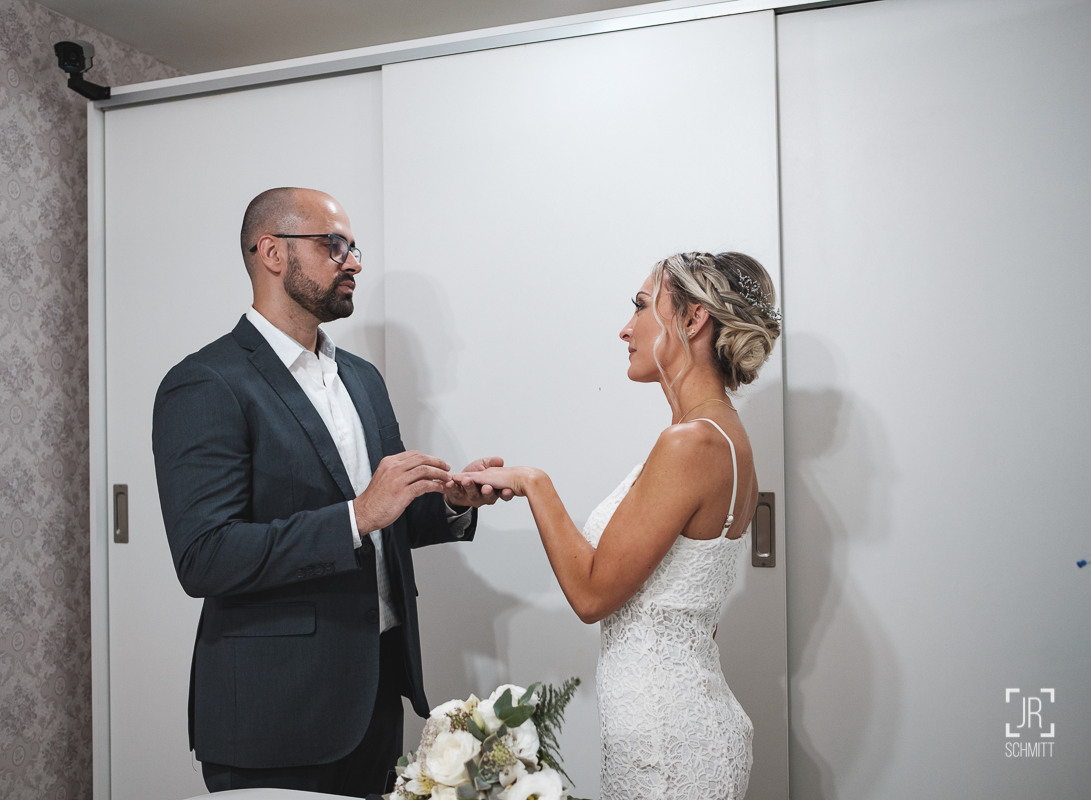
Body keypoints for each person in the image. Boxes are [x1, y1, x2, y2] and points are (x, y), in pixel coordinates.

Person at [152, 187, 509, 796]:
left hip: (376, 697)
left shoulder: (362, 379)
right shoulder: (205, 383)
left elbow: (385, 520)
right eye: (334, 245)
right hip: (275, 713)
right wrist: (355, 515)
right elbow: (205, 557)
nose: (354, 263)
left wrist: (451, 502)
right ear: (272, 253)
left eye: (354, 247)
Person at [453, 252, 782, 800]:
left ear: (693, 319)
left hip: (666, 744)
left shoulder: (691, 443)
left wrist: (534, 482)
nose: (626, 329)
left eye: (641, 306)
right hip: (678, 724)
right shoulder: (718, 434)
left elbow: (591, 596)